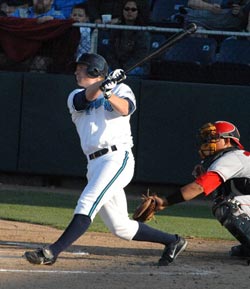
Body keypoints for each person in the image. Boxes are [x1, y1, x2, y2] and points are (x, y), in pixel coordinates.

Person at [23, 52, 187, 266]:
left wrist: (109, 91)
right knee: (120, 227)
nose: (76, 71)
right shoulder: (74, 95)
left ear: (94, 70)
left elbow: (126, 108)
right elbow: (86, 99)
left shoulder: (121, 89)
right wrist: (103, 85)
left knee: (87, 202)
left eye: (81, 68)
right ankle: (173, 241)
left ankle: (52, 252)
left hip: (116, 158)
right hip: (94, 164)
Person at [144, 120, 250, 259]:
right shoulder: (232, 158)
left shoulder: (232, 157)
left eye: (213, 138)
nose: (207, 142)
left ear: (227, 141)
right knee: (223, 201)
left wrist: (165, 201)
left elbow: (198, 187)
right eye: (207, 139)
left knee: (229, 206)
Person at [105, 0, 151, 76]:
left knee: (133, 72)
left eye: (133, 10)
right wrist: (117, 68)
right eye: (127, 9)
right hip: (116, 66)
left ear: (138, 12)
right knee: (106, 71)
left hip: (136, 66)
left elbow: (140, 56)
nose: (129, 12)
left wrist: (124, 69)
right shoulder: (115, 29)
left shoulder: (143, 32)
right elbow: (110, 52)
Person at [184, 0, 250, 31]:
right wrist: (210, 7)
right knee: (198, 33)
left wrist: (238, 13)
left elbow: (245, 19)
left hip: (229, 29)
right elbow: (191, 2)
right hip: (202, 23)